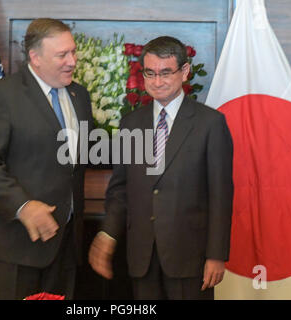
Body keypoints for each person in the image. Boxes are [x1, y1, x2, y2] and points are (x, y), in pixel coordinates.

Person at [88, 36, 234, 300]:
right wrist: (108, 233)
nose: (157, 82)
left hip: (191, 259)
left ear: (185, 72)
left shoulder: (210, 124)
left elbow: (221, 196)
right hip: (142, 257)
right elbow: (120, 189)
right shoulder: (131, 123)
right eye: (150, 73)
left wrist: (216, 255)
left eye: (166, 73)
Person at [0, 18, 94, 300]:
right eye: (62, 55)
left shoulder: (79, 95)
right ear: (35, 57)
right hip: (13, 245)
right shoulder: (1, 95)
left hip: (64, 245)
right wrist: (23, 206)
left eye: (73, 52)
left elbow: (80, 158)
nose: (72, 61)